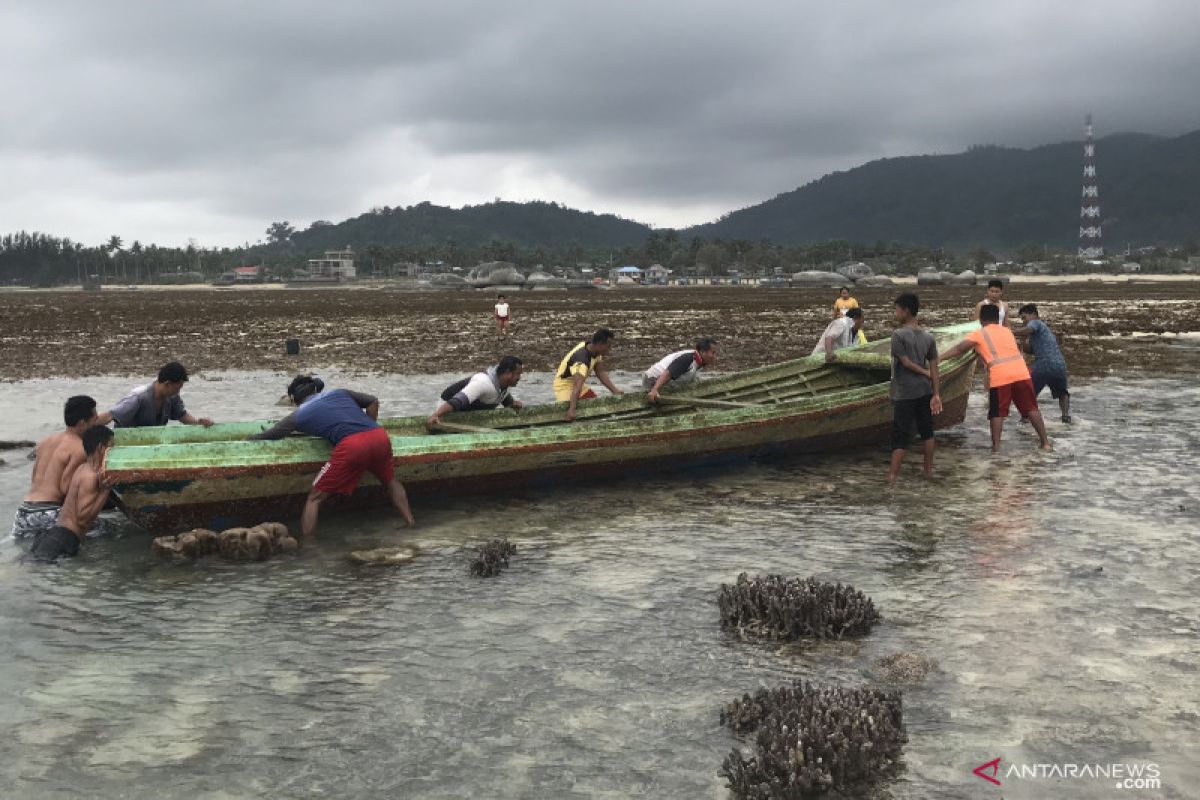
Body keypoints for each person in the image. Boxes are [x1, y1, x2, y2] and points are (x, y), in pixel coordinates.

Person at [248, 376, 414, 538]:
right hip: (379, 436)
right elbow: (373, 401)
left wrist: (248, 440)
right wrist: (369, 426)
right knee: (390, 480)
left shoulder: (298, 415)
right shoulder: (339, 392)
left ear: (295, 399)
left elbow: (271, 434)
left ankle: (309, 546)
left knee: (314, 497)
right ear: (316, 389)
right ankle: (410, 523)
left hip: (352, 446)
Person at [938, 304, 1050, 451]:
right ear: (998, 319)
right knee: (1031, 408)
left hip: (1001, 376)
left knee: (997, 413)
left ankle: (996, 447)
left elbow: (959, 349)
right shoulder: (1007, 331)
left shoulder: (979, 333)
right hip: (1022, 373)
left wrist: (940, 357)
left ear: (981, 320)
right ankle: (1045, 443)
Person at [11, 396, 99, 539]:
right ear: (82, 423)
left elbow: (34, 478)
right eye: (94, 420)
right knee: (106, 530)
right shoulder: (80, 449)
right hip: (50, 512)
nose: (97, 423)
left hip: (24, 512)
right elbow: (66, 489)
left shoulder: (45, 442)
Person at [27, 426, 114, 563]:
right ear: (100, 448)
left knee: (25, 566)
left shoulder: (82, 468)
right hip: (65, 538)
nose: (113, 452)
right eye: (111, 447)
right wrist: (105, 490)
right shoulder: (90, 477)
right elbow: (82, 519)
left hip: (54, 534)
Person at [886, 294, 942, 484]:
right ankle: (927, 471)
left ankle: (892, 477)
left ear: (906, 311)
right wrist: (936, 393)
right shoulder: (928, 337)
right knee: (927, 431)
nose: (896, 313)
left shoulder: (898, 335)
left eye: (897, 309)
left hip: (906, 392)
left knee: (900, 434)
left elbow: (906, 363)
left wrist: (926, 374)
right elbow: (935, 367)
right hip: (925, 392)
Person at [95, 361, 213, 428]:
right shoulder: (138, 397)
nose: (178, 392)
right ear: (167, 384)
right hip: (128, 442)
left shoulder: (172, 397)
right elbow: (109, 416)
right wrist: (82, 431)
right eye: (177, 388)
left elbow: (182, 416)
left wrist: (199, 423)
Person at [427, 356, 525, 428]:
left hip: (471, 413)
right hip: (448, 410)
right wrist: (436, 415)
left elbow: (501, 395)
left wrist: (511, 403)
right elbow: (458, 400)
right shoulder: (483, 382)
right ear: (507, 373)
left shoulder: (504, 384)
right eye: (518, 374)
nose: (519, 378)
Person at [1015, 304, 1071, 423]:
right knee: (1062, 392)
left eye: (1024, 318)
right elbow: (1032, 350)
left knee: (1028, 393)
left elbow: (1028, 329)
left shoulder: (1036, 323)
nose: (1024, 322)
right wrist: (1020, 344)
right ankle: (1065, 416)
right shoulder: (1044, 331)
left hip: (1044, 364)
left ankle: (1025, 419)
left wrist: (1009, 332)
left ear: (1032, 314)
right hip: (1060, 364)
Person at [554, 329, 623, 421]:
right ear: (599, 344)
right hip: (564, 386)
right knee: (577, 414)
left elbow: (600, 372)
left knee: (595, 407)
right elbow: (577, 386)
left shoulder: (595, 350)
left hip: (578, 384)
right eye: (608, 346)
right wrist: (571, 409)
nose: (609, 349)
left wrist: (615, 391)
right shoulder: (581, 361)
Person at [643, 338, 718, 402]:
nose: (715, 356)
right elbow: (667, 374)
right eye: (713, 353)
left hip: (663, 380)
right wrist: (654, 389)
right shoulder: (688, 358)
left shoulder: (700, 361)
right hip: (653, 379)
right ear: (703, 352)